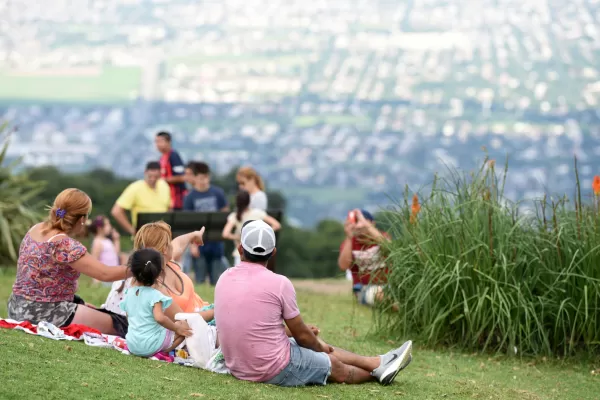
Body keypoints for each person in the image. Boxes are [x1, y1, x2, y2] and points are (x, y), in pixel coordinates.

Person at [215, 220, 412, 387]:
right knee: (333, 365)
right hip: (270, 369)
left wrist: (316, 343)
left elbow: (253, 328)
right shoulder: (280, 283)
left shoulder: (224, 278)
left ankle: (377, 362)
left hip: (240, 366)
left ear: (240, 248)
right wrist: (318, 347)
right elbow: (303, 337)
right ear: (273, 252)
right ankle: (378, 373)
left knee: (318, 345)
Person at [7, 188, 129, 335]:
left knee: (96, 311)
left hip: (16, 307)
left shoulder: (35, 228)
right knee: (122, 325)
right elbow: (105, 273)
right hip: (44, 312)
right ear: (82, 219)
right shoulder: (64, 245)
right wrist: (143, 266)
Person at [102, 221, 214, 325]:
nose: (172, 244)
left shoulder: (168, 261)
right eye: (169, 241)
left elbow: (179, 242)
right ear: (165, 249)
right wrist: (217, 311)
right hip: (199, 322)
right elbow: (183, 320)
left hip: (206, 312)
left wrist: (194, 235)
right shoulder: (153, 285)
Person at [120, 248, 193, 357]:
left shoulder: (129, 293)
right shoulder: (155, 295)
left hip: (132, 344)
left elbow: (128, 315)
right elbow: (159, 318)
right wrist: (176, 328)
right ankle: (161, 353)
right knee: (184, 326)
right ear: (159, 272)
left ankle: (133, 349)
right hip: (151, 346)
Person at [183, 161, 229, 285]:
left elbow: (225, 215)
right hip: (199, 242)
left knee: (216, 278)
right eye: (200, 178)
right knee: (200, 278)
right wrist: (192, 245)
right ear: (195, 178)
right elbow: (188, 223)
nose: (203, 181)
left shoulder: (218, 193)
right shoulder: (190, 197)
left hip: (216, 241)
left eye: (206, 177)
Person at [339, 209, 391, 306]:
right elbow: (343, 266)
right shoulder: (349, 243)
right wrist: (349, 237)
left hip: (388, 285)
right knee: (380, 295)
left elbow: (390, 247)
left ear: (372, 224)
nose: (358, 226)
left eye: (361, 221)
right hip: (364, 288)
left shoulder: (381, 237)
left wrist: (367, 226)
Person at [222, 190, 281, 266]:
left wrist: (238, 237)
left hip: (240, 254)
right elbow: (277, 225)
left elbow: (225, 234)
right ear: (249, 201)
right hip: (260, 253)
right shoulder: (258, 213)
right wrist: (261, 232)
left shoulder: (235, 216)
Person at [111, 161, 170, 236]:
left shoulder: (164, 186)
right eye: (150, 176)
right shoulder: (135, 188)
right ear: (145, 172)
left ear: (160, 174)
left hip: (162, 236)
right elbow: (116, 211)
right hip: (143, 236)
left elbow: (168, 208)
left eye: (156, 177)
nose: (153, 179)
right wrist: (132, 230)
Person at [155, 131, 187, 210]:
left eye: (160, 141)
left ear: (168, 142)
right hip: (166, 199)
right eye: (156, 142)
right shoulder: (161, 158)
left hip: (177, 200)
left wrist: (162, 180)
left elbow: (182, 177)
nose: (157, 144)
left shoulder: (174, 156)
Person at [86, 215, 121, 286]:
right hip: (105, 279)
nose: (110, 227)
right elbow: (94, 263)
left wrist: (116, 240)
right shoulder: (97, 242)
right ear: (99, 228)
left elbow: (116, 254)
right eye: (107, 224)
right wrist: (96, 280)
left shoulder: (107, 240)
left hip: (113, 277)